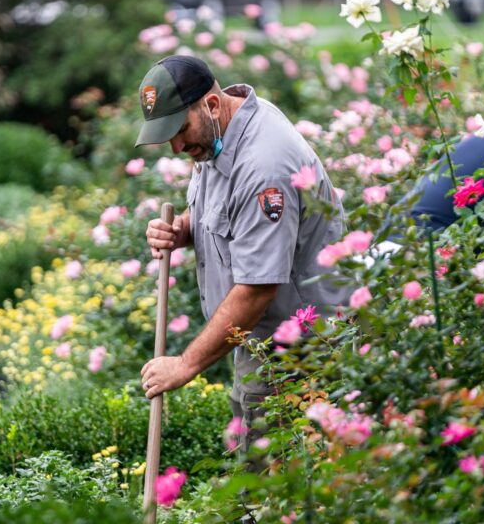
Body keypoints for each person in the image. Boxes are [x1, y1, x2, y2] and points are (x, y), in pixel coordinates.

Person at [136, 55, 351, 446]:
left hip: (300, 354)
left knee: (277, 486)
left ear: (212, 105)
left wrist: (185, 365)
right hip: (265, 342)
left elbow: (257, 288)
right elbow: (223, 210)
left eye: (180, 130)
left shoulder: (263, 164)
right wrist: (182, 229)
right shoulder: (221, 133)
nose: (176, 146)